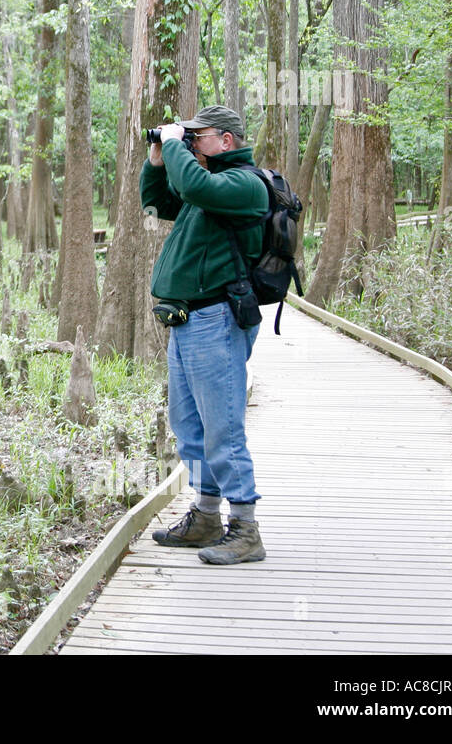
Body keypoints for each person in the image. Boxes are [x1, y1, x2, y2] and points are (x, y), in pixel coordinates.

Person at [140, 104, 268, 565]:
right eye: (187, 137)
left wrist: (176, 144)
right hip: (188, 322)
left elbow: (193, 183)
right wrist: (159, 156)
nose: (191, 143)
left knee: (222, 429)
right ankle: (207, 516)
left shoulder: (243, 184)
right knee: (189, 428)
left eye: (199, 136)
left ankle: (246, 529)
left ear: (227, 140)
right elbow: (158, 204)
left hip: (217, 321)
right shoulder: (208, 188)